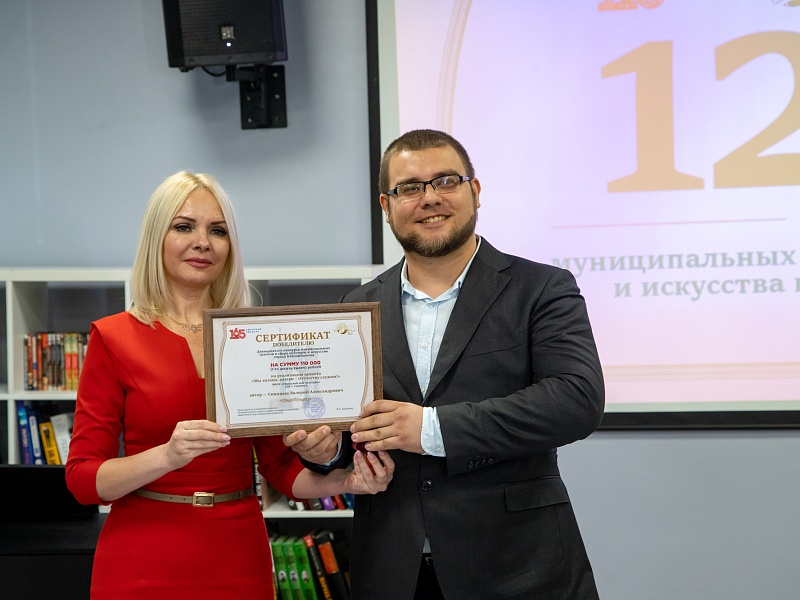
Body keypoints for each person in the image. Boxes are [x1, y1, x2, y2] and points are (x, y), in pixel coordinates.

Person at [285, 130, 604, 599]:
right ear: (386, 206)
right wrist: (326, 451)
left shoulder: (542, 288)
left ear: (475, 191)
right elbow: (352, 434)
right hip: (393, 571)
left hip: (518, 568)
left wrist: (431, 429)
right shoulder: (355, 307)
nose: (430, 198)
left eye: (446, 181)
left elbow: (576, 401)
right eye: (409, 188)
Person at [65, 171, 394, 600]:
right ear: (156, 237)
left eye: (217, 231)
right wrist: (168, 455)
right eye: (184, 227)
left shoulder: (253, 336)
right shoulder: (113, 337)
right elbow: (83, 479)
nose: (203, 242)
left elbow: (281, 468)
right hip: (143, 557)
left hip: (239, 554)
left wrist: (346, 482)